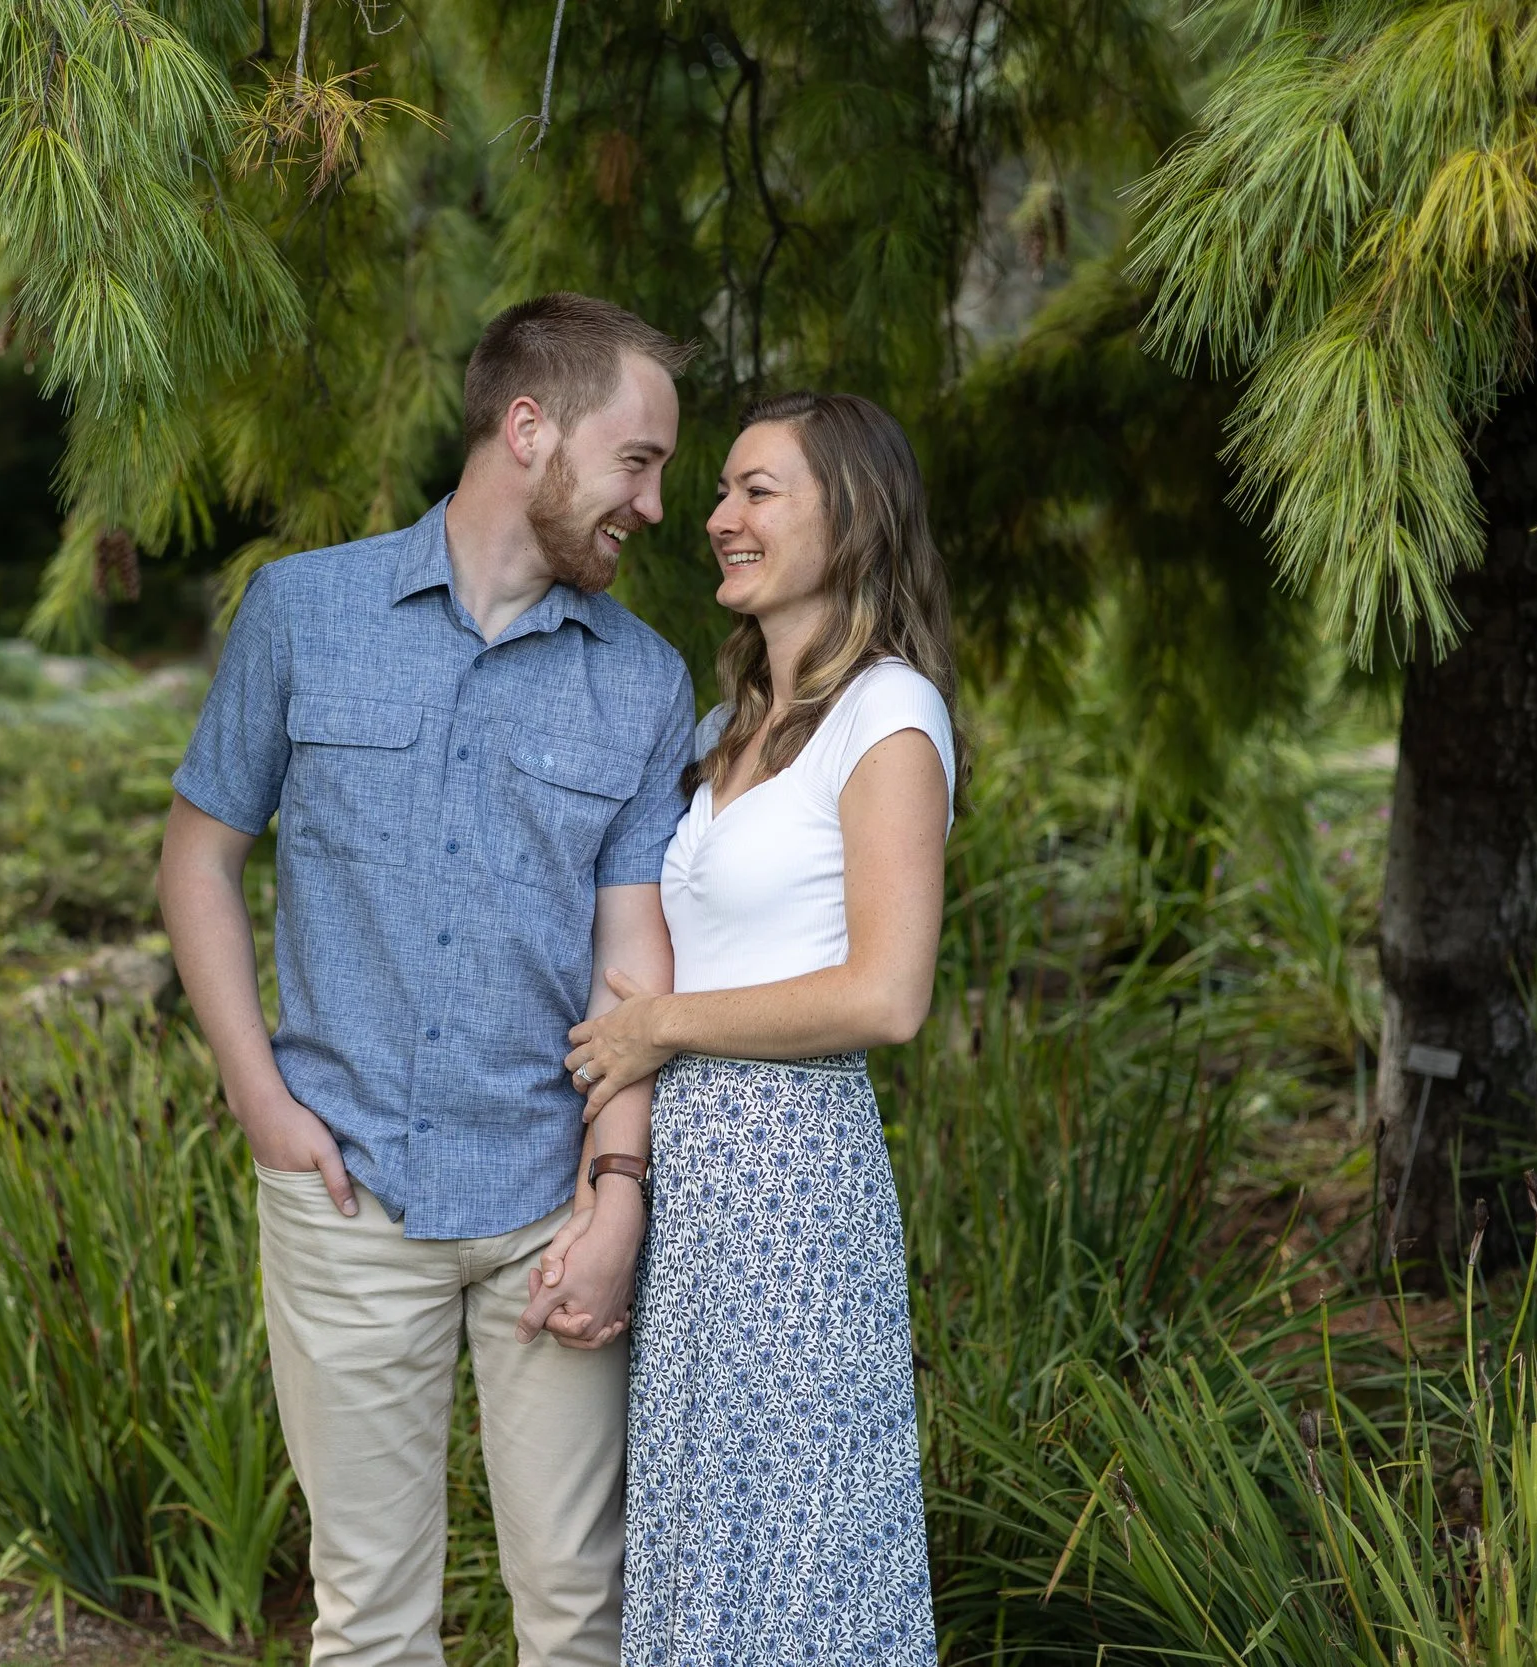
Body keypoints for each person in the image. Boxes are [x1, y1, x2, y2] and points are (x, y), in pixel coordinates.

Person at [158, 293, 699, 1667]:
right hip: (346, 1190)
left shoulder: (645, 681)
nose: (654, 504)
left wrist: (618, 1187)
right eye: (637, 462)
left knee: (578, 1606)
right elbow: (198, 858)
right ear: (529, 429)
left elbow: (633, 963)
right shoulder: (304, 611)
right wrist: (260, 1101)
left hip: (549, 1204)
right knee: (371, 1615)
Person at [544, 391, 962, 1663]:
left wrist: (664, 1024)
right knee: (702, 1546)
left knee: (797, 1554)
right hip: (693, 1187)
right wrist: (608, 1177)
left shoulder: (888, 716)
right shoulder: (722, 730)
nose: (719, 516)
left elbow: (887, 993)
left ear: (854, 513)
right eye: (721, 490)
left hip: (793, 1182)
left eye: (757, 490)